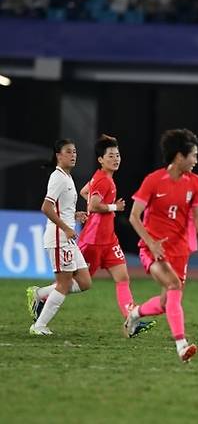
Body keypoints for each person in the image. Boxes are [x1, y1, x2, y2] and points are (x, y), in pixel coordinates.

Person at [27, 135, 154, 336]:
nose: (116, 159)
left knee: (102, 280)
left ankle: (131, 319)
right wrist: (114, 207)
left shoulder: (77, 177)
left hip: (106, 239)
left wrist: (75, 214)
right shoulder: (98, 180)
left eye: (118, 155)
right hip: (90, 240)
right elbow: (85, 204)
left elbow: (85, 192)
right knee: (65, 283)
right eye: (111, 155)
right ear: (101, 160)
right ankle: (40, 311)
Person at [123, 129, 198, 362]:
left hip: (180, 250)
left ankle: (135, 313)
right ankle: (181, 346)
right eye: (193, 155)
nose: (196, 160)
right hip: (153, 249)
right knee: (173, 285)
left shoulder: (195, 182)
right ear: (179, 157)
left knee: (166, 303)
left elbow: (197, 216)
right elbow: (134, 216)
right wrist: (151, 243)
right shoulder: (153, 180)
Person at [28, 139, 91, 335]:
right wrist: (66, 227)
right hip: (59, 238)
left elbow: (59, 209)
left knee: (84, 282)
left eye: (75, 152)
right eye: (69, 152)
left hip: (67, 236)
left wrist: (74, 216)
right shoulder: (57, 177)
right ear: (58, 155)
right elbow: (46, 208)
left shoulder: (67, 177)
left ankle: (39, 294)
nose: (73, 155)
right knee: (63, 284)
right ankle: (38, 326)